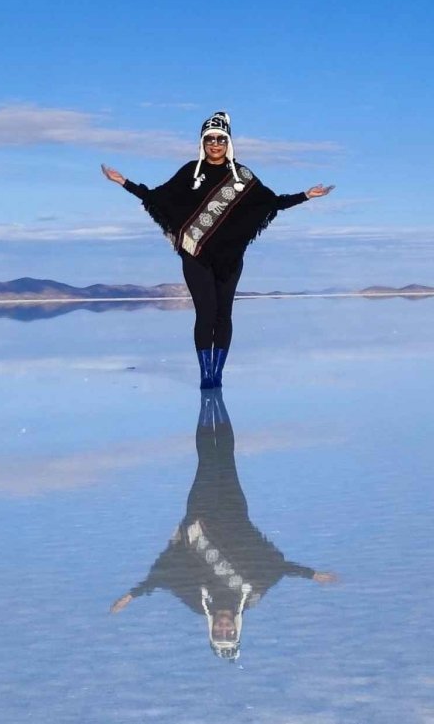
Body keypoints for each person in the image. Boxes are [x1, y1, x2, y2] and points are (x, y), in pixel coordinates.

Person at [101, 112, 332, 390]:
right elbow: (158, 197)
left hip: (230, 259)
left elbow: (271, 202)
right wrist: (125, 183)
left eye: (220, 139)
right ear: (202, 142)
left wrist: (306, 195)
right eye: (209, 139)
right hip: (195, 254)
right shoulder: (190, 172)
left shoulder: (243, 176)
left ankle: (218, 374)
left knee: (224, 314)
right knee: (205, 313)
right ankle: (205, 374)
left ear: (228, 142)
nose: (215, 144)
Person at [108, 390, 338, 661]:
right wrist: (312, 575)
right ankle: (217, 397)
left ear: (212, 629)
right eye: (229, 632)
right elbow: (277, 568)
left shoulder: (197, 601)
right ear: (237, 630)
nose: (224, 627)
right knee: (226, 457)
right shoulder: (251, 593)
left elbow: (166, 576)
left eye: (220, 632)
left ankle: (207, 399)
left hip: (199, 513)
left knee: (207, 459)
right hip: (233, 511)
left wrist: (133, 595)